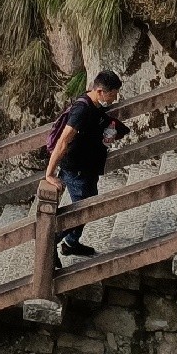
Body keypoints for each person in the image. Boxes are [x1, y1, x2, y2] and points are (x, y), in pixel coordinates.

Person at [41, 72, 127, 262]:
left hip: (87, 166)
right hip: (76, 169)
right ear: (100, 91)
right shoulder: (82, 110)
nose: (115, 98)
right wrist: (49, 173)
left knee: (88, 204)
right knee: (82, 210)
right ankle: (49, 243)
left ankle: (71, 243)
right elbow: (63, 141)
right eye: (112, 94)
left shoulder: (93, 104)